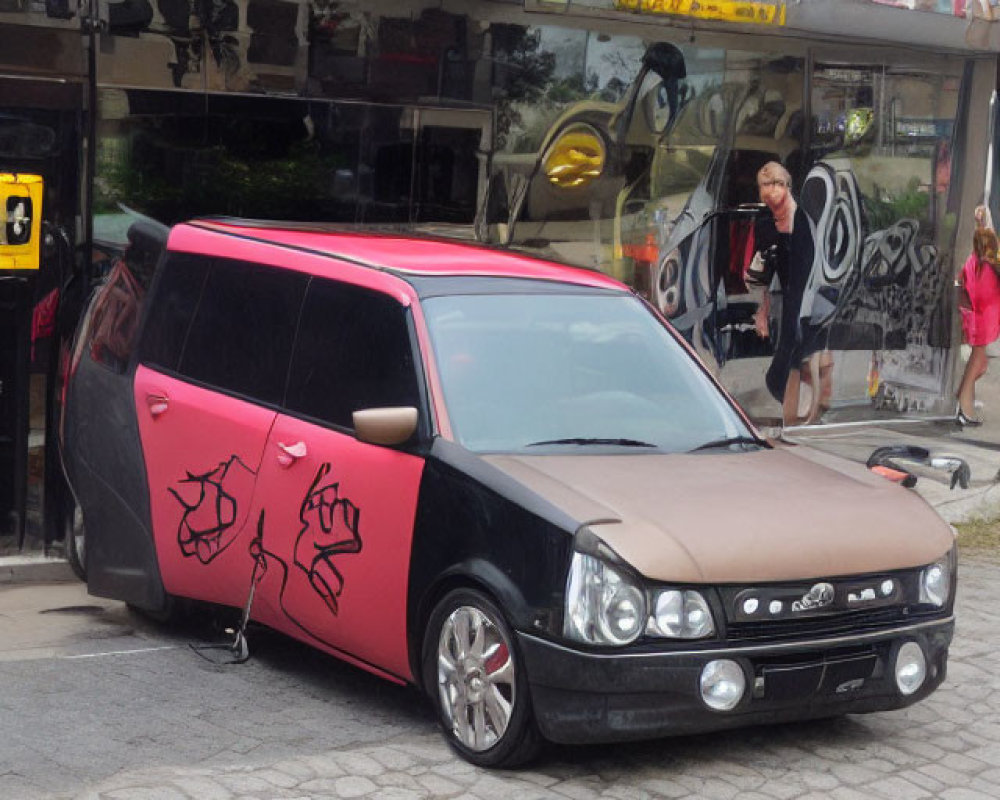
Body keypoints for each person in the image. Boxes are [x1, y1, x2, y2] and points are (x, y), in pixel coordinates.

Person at [750, 161, 831, 426]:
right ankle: (814, 391)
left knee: (789, 358)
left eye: (775, 184)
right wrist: (764, 310)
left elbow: (808, 271)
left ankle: (795, 415)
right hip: (783, 294)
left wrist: (799, 309)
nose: (770, 192)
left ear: (786, 186)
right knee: (781, 369)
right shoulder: (766, 220)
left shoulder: (801, 221)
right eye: (764, 185)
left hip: (801, 292)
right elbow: (767, 269)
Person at [955, 224, 1000, 426]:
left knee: (979, 363)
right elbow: (985, 295)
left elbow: (963, 284)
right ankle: (964, 404)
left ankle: (965, 402)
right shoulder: (987, 267)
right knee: (977, 364)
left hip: (977, 318)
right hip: (984, 319)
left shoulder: (973, 263)